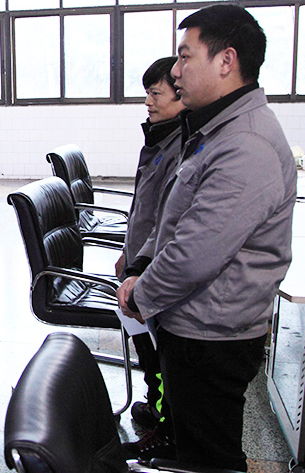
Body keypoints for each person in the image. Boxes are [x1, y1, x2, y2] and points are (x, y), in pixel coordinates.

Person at [117, 5, 296, 471]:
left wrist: (141, 293)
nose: (176, 72)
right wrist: (141, 265)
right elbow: (173, 216)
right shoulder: (214, 130)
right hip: (193, 322)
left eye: (185, 57)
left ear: (226, 61)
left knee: (211, 459)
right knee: (192, 447)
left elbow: (197, 252)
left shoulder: (245, 144)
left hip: (211, 335)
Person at [116, 56, 185, 460]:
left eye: (156, 94)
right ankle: (155, 405)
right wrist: (128, 255)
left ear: (181, 95)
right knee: (149, 347)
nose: (148, 102)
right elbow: (144, 207)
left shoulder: (182, 145)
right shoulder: (162, 139)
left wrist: (141, 268)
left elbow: (168, 222)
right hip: (141, 262)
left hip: (155, 270)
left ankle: (161, 419)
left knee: (159, 354)